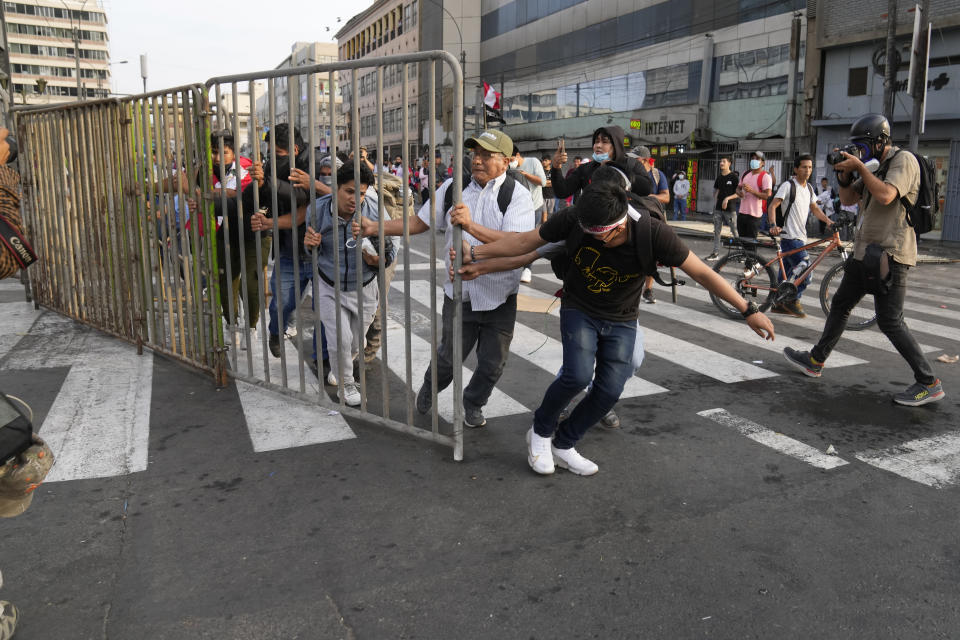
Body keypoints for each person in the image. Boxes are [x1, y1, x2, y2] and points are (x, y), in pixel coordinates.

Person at [459, 180, 775, 475]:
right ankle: (540, 432)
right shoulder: (574, 218)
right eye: (585, 229)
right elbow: (525, 242)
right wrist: (476, 253)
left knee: (610, 389)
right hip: (579, 307)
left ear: (617, 225)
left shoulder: (652, 234)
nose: (589, 235)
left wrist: (749, 309)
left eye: (597, 233)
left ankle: (564, 443)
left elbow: (703, 273)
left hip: (622, 316)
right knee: (577, 375)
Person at [354, 129, 535, 428]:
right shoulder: (454, 187)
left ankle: (474, 402)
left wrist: (471, 229)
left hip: (500, 293)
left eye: (486, 155)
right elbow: (419, 222)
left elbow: (517, 242)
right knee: (449, 358)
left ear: (506, 162)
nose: (477, 160)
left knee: (492, 364)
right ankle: (431, 384)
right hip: (459, 293)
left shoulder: (516, 195)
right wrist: (375, 228)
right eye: (474, 154)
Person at [783, 113, 945, 406]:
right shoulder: (875, 166)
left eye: (863, 145)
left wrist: (860, 167)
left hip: (890, 254)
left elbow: (885, 195)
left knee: (890, 320)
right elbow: (846, 199)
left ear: (881, 142)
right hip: (864, 253)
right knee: (841, 305)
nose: (860, 151)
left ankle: (929, 381)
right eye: (856, 146)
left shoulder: (902, 161)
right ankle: (816, 360)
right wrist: (845, 175)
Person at [303, 162, 395, 406]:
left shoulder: (375, 212)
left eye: (361, 193)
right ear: (336, 188)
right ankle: (346, 384)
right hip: (328, 284)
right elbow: (309, 248)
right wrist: (310, 243)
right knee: (340, 340)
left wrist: (377, 259)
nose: (356, 199)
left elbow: (390, 253)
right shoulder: (318, 210)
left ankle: (340, 364)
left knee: (356, 342)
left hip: (364, 285)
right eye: (349, 191)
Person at [247, 125, 316, 365]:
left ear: (294, 149)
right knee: (280, 304)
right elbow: (267, 198)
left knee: (328, 311)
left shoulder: (312, 165)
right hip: (288, 248)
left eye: (276, 151)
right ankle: (276, 332)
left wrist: (268, 182)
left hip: (319, 249)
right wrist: (260, 196)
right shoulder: (271, 166)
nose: (271, 155)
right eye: (269, 150)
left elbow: (302, 200)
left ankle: (325, 358)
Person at [767, 154, 832, 318]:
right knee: (806, 271)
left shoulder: (809, 188)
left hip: (801, 238)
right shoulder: (788, 186)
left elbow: (815, 209)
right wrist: (773, 225)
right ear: (796, 169)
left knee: (788, 274)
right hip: (789, 237)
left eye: (810, 167)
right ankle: (791, 299)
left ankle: (778, 303)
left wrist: (829, 221)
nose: (807, 170)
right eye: (804, 167)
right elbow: (773, 205)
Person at [550, 126, 648, 207]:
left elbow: (646, 189)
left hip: (623, 224)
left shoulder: (632, 164)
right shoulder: (586, 168)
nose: (598, 145)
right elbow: (562, 191)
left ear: (616, 145)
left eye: (604, 142)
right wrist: (556, 166)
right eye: (596, 141)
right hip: (592, 224)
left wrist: (614, 167)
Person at [629, 145, 669, 303]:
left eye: (635, 159)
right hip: (631, 217)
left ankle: (648, 289)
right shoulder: (629, 174)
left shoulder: (657, 175)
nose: (631, 161)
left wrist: (649, 197)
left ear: (644, 160)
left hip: (652, 218)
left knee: (651, 254)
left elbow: (666, 197)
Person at [511, 145, 546, 283]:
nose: (510, 162)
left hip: (534, 207)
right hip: (517, 207)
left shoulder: (533, 162)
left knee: (529, 238)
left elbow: (542, 182)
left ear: (518, 155)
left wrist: (525, 174)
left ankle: (527, 268)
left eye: (512, 158)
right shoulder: (509, 168)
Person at [735, 150, 773, 254]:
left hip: (754, 215)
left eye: (757, 159)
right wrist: (740, 193)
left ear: (763, 163)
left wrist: (752, 191)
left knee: (751, 243)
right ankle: (751, 262)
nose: (754, 160)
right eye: (752, 158)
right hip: (742, 212)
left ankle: (750, 265)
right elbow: (737, 188)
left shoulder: (765, 176)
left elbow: (767, 195)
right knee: (743, 241)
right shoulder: (745, 173)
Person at [708, 155, 740, 260]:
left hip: (730, 210)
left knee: (734, 231)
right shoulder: (719, 177)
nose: (721, 163)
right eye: (721, 161)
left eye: (724, 161)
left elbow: (739, 194)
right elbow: (716, 191)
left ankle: (742, 253)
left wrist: (727, 198)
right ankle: (715, 252)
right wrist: (715, 204)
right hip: (718, 209)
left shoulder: (734, 177)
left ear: (729, 163)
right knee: (717, 231)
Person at [541, 154, 556, 222]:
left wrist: (544, 183)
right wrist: (548, 182)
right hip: (542, 197)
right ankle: (542, 231)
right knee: (544, 215)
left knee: (549, 216)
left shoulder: (553, 171)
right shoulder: (540, 171)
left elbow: (555, 183)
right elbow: (539, 182)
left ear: (550, 161)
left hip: (551, 197)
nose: (543, 162)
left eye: (545, 160)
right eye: (543, 160)